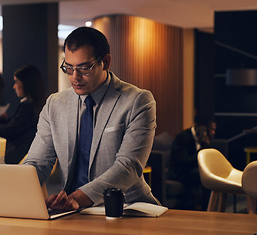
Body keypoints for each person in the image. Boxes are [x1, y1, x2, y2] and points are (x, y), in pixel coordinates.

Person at [23, 27, 159, 211]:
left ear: (106, 62)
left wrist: (77, 198)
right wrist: (16, 191)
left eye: (84, 68)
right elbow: (38, 162)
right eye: (68, 68)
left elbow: (128, 166)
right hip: (70, 211)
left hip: (126, 207)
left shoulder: (137, 101)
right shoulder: (55, 104)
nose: (74, 77)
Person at [168, 117, 217, 210]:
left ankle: (213, 205)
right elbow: (184, 162)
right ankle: (207, 208)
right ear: (203, 128)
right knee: (201, 174)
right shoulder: (183, 137)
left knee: (209, 171)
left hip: (190, 170)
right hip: (179, 173)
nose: (213, 133)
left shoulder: (202, 139)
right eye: (211, 129)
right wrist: (202, 150)